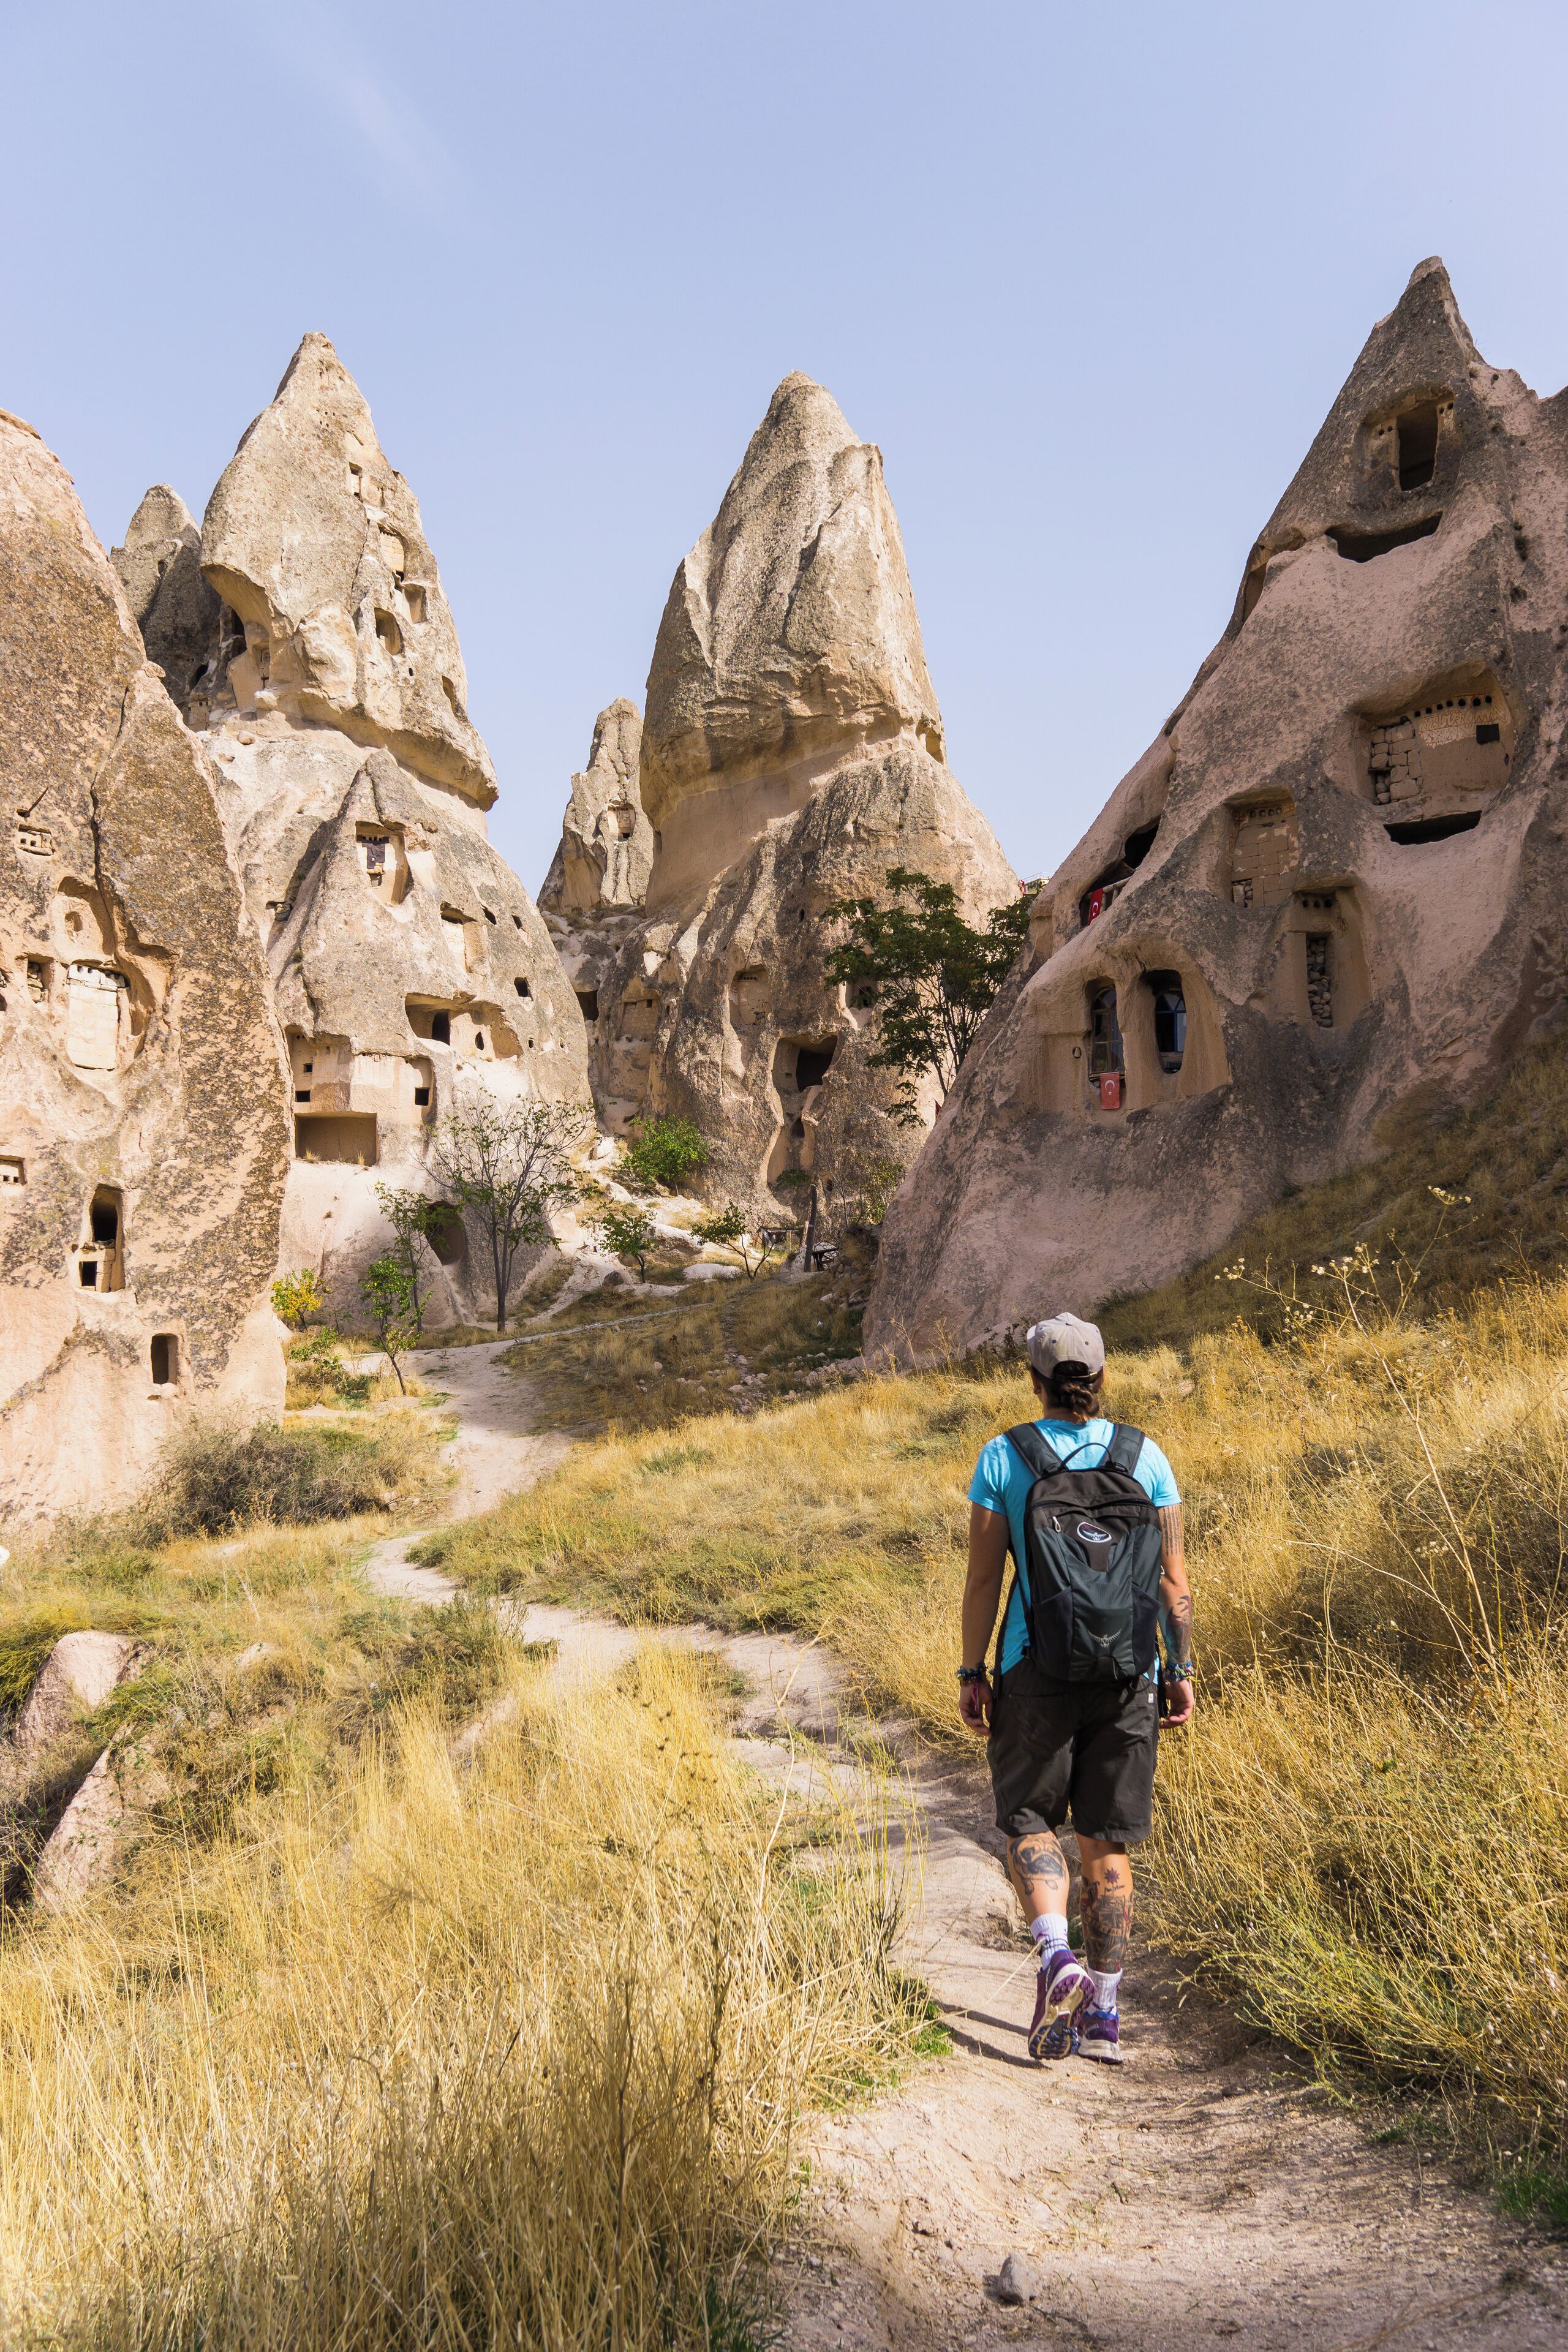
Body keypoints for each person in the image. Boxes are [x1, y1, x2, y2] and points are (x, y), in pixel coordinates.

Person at [957, 1311, 1194, 2064]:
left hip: (1037, 1669)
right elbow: (1173, 1582)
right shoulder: (1145, 1455)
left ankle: (1055, 1957)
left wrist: (973, 1671)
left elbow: (985, 1578)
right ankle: (1105, 2018)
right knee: (1108, 1839)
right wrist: (1179, 1670)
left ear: (1034, 1382)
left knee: (1030, 1820)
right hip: (1129, 1672)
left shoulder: (1004, 1455)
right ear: (1101, 1380)